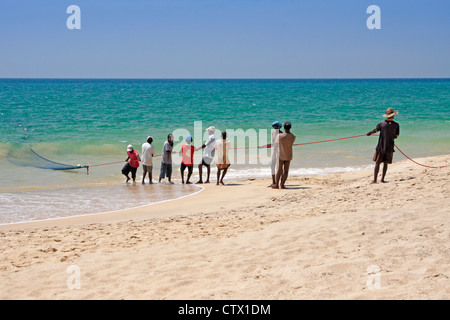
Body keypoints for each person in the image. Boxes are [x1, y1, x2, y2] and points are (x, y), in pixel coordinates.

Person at [367, 107, 400, 184]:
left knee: (377, 163)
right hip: (390, 147)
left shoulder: (381, 123)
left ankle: (375, 180)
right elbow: (397, 135)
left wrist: (369, 133)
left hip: (381, 147)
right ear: (393, 116)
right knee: (385, 163)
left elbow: (375, 130)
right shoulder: (396, 125)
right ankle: (382, 179)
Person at [272, 121, 296, 189]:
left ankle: (276, 185)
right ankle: (282, 185)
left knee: (279, 170)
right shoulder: (293, 136)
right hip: (288, 155)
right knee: (286, 171)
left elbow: (276, 144)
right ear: (290, 127)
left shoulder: (279, 136)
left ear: (284, 128)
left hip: (281, 155)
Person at [269, 121, 283, 187]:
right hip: (274, 151)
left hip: (280, 151)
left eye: (277, 126)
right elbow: (273, 142)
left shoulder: (282, 134)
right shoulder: (273, 133)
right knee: (272, 166)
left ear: (280, 126)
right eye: (275, 126)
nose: (276, 127)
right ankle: (273, 182)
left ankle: (281, 182)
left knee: (279, 167)